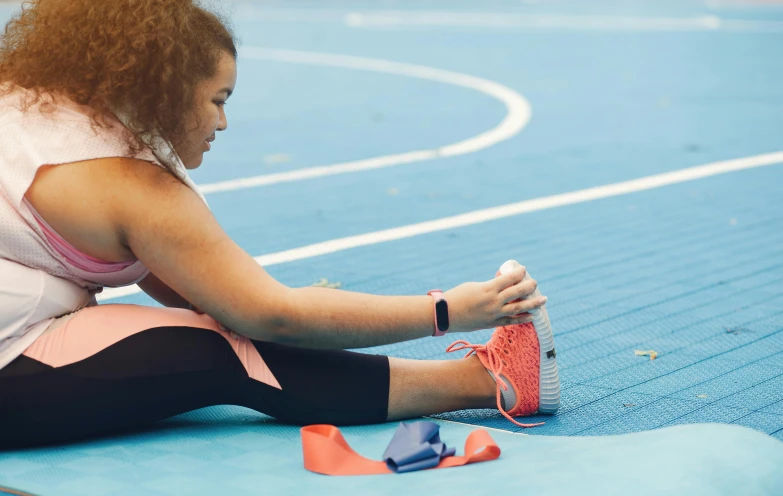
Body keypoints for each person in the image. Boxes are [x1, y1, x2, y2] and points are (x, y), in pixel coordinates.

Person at [0, 0, 557, 449]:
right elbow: (270, 316)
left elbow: (197, 291)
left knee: (217, 326)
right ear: (161, 90)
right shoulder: (130, 187)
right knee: (227, 350)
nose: (223, 121)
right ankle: (492, 384)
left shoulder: (29, 105)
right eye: (217, 100)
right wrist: (447, 310)